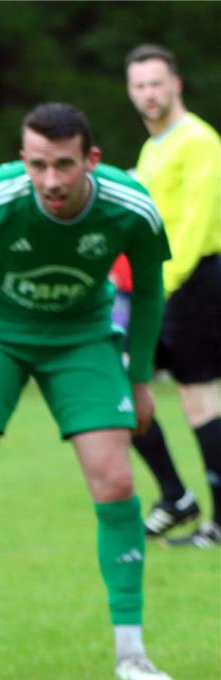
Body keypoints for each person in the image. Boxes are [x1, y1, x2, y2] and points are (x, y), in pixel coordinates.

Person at [0, 103, 174, 680]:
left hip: (81, 336)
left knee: (117, 482)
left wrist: (141, 377)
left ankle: (132, 652)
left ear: (91, 161)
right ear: (22, 160)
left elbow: (150, 287)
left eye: (64, 166)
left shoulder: (130, 206)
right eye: (38, 165)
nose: (50, 181)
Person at [123, 44, 221, 548]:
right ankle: (176, 496)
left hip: (194, 281)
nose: (149, 94)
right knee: (121, 384)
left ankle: (216, 520)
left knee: (199, 398)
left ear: (176, 83)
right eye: (139, 86)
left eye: (156, 83)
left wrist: (160, 286)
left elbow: (199, 223)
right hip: (159, 287)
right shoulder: (153, 149)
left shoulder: (199, 140)